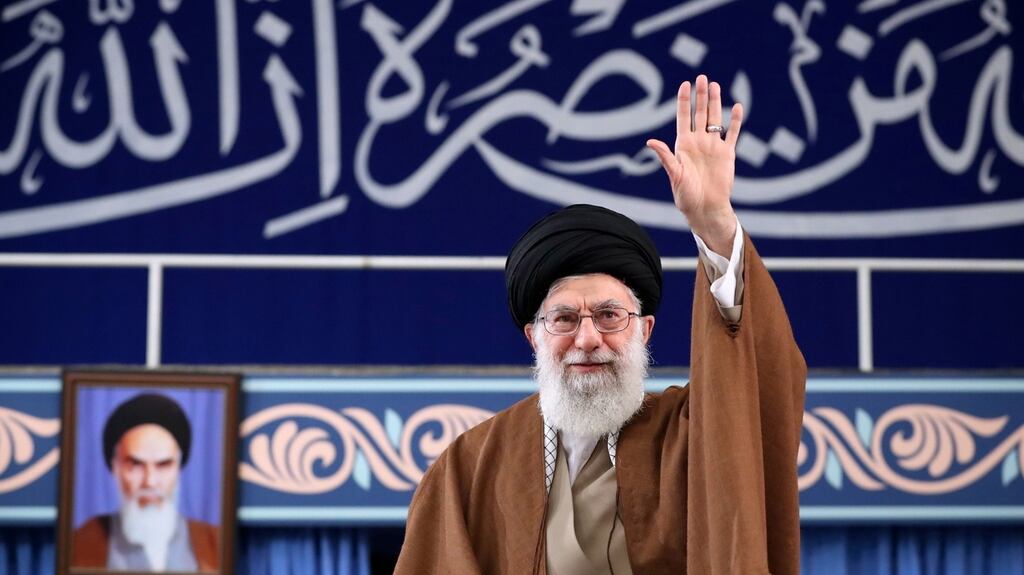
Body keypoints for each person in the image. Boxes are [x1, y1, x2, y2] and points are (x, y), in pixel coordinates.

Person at [394, 75, 807, 574]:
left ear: (644, 329)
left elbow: (757, 389)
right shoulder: (471, 468)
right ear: (534, 335)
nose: (588, 340)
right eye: (564, 318)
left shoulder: (691, 438)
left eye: (610, 316)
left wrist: (715, 224)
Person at [72, 393, 220, 572]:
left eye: (163, 465)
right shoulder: (81, 543)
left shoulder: (215, 542)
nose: (150, 482)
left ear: (179, 468)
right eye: (135, 465)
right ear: (115, 467)